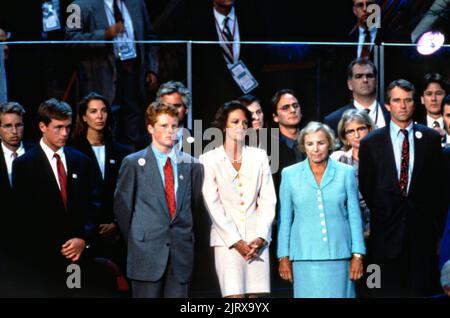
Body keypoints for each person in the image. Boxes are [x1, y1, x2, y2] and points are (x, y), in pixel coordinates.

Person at [359, 79, 448, 297]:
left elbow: (437, 189)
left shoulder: (430, 138)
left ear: (415, 103)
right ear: (387, 105)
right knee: (381, 291)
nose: (403, 105)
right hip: (384, 238)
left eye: (408, 100)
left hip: (422, 238)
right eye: (397, 100)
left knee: (421, 292)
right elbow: (367, 187)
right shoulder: (371, 142)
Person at [12, 98, 99, 297]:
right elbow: (24, 215)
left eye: (68, 127)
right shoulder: (25, 165)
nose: (65, 134)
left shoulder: (81, 161)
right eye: (58, 128)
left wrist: (82, 240)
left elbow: (93, 204)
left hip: (77, 256)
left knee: (75, 293)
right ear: (42, 126)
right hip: (42, 259)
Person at [114, 102, 196, 298]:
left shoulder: (191, 165)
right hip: (146, 255)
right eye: (164, 126)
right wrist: (139, 239)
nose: (170, 131)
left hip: (180, 256)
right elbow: (123, 209)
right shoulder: (133, 163)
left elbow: (195, 209)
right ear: (150, 128)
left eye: (174, 126)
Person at [277, 121, 365, 298]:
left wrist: (358, 255)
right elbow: (285, 219)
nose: (315, 149)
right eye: (310, 144)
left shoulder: (345, 172)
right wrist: (283, 257)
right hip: (304, 257)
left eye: (321, 143)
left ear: (330, 144)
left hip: (339, 256)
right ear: (303, 146)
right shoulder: (290, 174)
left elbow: (355, 217)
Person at [199, 101, 276, 298]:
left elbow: (268, 200)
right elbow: (212, 205)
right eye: (235, 121)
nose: (241, 126)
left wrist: (260, 236)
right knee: (234, 298)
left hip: (257, 242)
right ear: (224, 125)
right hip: (227, 242)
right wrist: (236, 241)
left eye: (244, 122)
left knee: (256, 299)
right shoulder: (208, 159)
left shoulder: (259, 156)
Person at [66, 0, 159, 148]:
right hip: (100, 79)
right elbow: (70, 40)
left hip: (134, 76)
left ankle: (131, 164)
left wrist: (152, 68)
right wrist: (105, 34)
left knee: (133, 126)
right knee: (105, 127)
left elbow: (150, 36)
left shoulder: (138, 3)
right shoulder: (78, 5)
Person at [70, 92, 131, 274]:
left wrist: (116, 223)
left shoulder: (121, 152)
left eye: (103, 110)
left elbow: (127, 193)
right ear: (84, 117)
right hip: (86, 233)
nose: (99, 116)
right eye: (94, 111)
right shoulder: (72, 151)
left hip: (117, 233)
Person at [0, 101, 33, 296]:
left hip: (34, 243)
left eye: (18, 125)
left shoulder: (37, 153)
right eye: (7, 125)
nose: (14, 131)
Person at [331, 109, 374, 239]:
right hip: (349, 227)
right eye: (351, 131)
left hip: (379, 224)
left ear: (369, 129)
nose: (357, 135)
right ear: (345, 137)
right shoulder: (338, 159)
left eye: (361, 129)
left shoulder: (382, 157)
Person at [324, 58, 389, 135]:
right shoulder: (334, 120)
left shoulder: (391, 112)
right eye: (359, 76)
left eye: (369, 76)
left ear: (376, 82)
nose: (365, 80)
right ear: (350, 84)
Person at [414, 73, 448, 140]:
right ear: (422, 99)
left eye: (439, 93)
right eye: (429, 94)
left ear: (446, 97)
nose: (433, 99)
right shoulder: (413, 126)